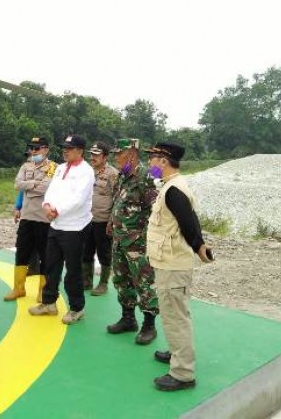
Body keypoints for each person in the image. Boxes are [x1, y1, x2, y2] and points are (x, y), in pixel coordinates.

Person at [144, 142, 213, 391]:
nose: (149, 162)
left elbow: (188, 221)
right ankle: (176, 353)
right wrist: (199, 244)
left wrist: (199, 245)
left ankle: (183, 373)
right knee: (173, 312)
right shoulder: (171, 186)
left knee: (175, 317)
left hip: (174, 265)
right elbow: (189, 218)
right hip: (167, 261)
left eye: (152, 158)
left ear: (164, 161)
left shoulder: (174, 190)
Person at [29, 135, 95, 325]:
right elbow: (51, 190)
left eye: (70, 148)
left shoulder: (86, 171)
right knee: (50, 265)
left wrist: (57, 210)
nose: (65, 151)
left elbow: (79, 199)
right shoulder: (60, 168)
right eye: (64, 147)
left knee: (73, 269)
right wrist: (47, 205)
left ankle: (77, 308)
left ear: (80, 150)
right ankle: (49, 303)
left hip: (75, 226)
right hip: (56, 224)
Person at [107, 138, 159, 345]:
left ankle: (149, 325)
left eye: (119, 154)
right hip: (120, 240)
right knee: (121, 279)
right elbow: (119, 201)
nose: (116, 158)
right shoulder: (122, 175)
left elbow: (156, 210)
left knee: (144, 283)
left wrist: (144, 236)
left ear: (131, 154)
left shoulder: (148, 176)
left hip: (138, 242)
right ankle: (128, 318)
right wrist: (111, 220)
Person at [4, 136, 57, 302]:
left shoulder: (53, 167)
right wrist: (34, 184)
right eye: (32, 148)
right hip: (26, 217)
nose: (33, 151)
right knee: (21, 252)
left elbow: (47, 187)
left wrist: (29, 185)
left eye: (37, 148)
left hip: (43, 218)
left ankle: (43, 291)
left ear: (46, 149)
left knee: (45, 255)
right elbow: (17, 184)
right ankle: (19, 288)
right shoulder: (26, 165)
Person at [82, 141, 118, 295]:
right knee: (86, 251)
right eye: (91, 154)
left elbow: (117, 198)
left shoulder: (112, 174)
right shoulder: (87, 172)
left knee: (104, 252)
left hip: (103, 220)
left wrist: (112, 220)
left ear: (105, 157)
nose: (93, 157)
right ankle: (86, 281)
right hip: (87, 219)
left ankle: (103, 284)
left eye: (96, 155)